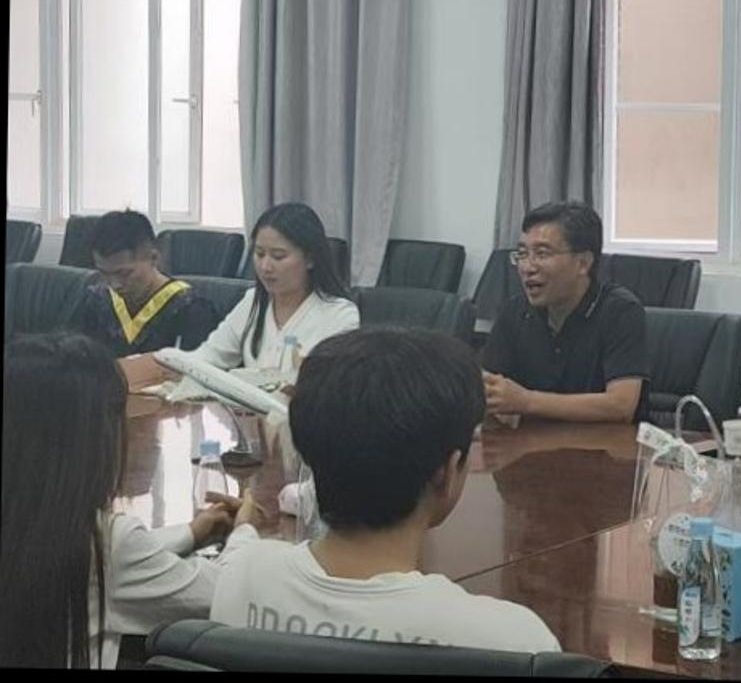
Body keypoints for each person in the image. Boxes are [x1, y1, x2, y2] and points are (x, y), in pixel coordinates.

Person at [210, 326, 560, 652]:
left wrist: (244, 524)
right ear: (448, 471)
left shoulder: (240, 578)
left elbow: (243, 550)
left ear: (310, 453)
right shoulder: (514, 641)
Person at [0, 333, 258, 669]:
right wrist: (245, 530)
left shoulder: (35, 522)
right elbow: (227, 594)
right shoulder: (104, 542)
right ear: (94, 441)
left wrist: (190, 534)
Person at [481, 201, 647, 424]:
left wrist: (526, 401)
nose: (528, 267)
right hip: (530, 443)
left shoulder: (620, 311)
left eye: (542, 254)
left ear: (583, 263)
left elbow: (621, 405)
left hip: (604, 444)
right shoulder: (514, 311)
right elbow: (488, 389)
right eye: (522, 254)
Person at [182, 202, 358, 373]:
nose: (265, 266)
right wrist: (171, 361)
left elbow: (331, 384)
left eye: (278, 256)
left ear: (310, 259)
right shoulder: (252, 302)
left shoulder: (339, 315)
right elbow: (207, 357)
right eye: (259, 254)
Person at [76, 209, 220, 357]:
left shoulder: (192, 309)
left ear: (153, 258)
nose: (114, 285)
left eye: (124, 274)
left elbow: (195, 367)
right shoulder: (97, 300)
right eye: (104, 273)